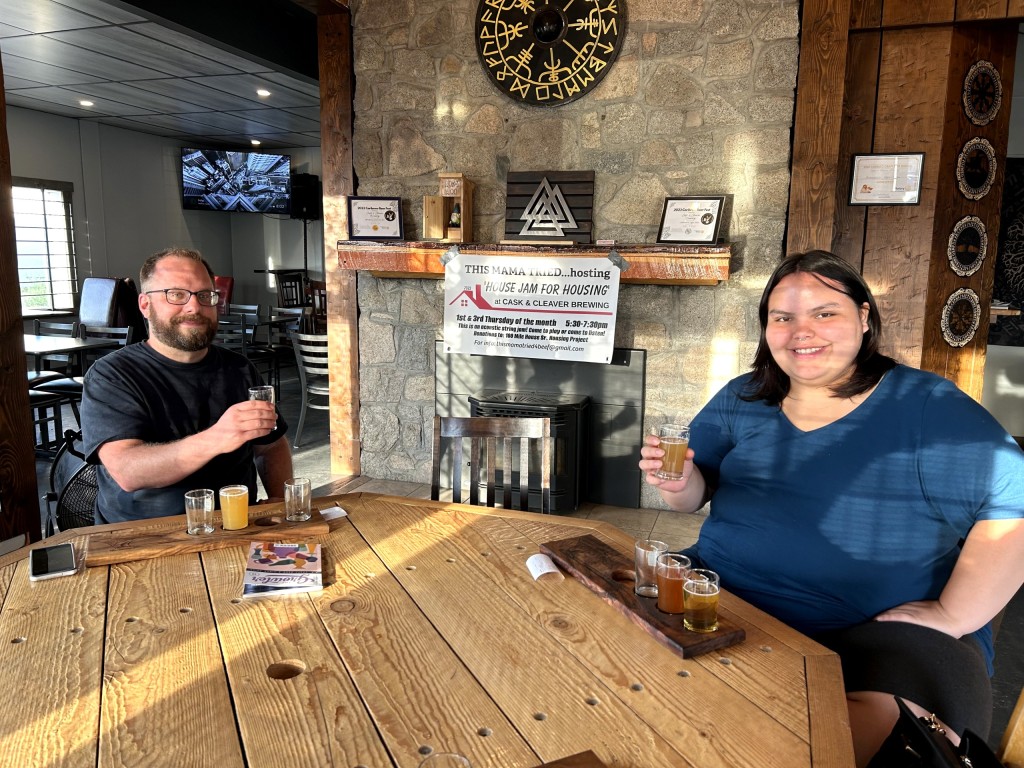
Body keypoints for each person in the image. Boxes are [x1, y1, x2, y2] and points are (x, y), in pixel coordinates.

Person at [638, 250, 1024, 767]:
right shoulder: (745, 396)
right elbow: (689, 499)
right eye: (783, 317)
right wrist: (678, 481)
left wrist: (956, 613)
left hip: (875, 633)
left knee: (820, 746)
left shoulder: (927, 406)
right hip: (721, 598)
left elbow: (1013, 504)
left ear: (864, 318)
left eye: (825, 313)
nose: (803, 331)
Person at [81, 247, 293, 524]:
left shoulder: (239, 369)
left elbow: (270, 446)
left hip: (235, 526)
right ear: (145, 305)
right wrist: (218, 437)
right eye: (176, 294)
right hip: (143, 537)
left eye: (206, 296)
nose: (194, 307)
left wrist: (279, 501)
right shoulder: (112, 375)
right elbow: (128, 471)